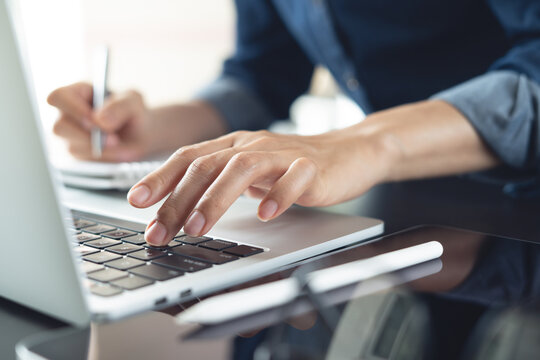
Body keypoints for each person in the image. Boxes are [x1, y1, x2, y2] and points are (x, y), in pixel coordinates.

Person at [47, 0, 540, 247]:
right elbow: (262, 74)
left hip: (514, 226)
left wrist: (365, 144)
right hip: (411, 213)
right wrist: (156, 127)